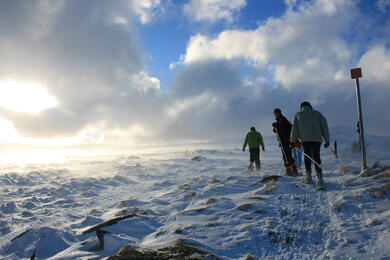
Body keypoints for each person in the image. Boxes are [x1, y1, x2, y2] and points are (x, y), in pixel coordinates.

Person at [290, 101, 330, 190]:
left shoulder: (298, 114)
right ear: (310, 106)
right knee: (316, 157)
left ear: (301, 107)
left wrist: (292, 141)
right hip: (317, 139)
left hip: (305, 140)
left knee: (307, 156)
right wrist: (326, 140)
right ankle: (319, 178)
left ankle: (309, 177)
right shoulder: (317, 113)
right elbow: (324, 126)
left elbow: (294, 129)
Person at [272, 108, 299, 176]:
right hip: (283, 141)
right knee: (286, 156)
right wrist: (275, 128)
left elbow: (285, 130)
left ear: (280, 113)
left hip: (286, 141)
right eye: (275, 113)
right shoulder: (279, 120)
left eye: (277, 113)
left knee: (287, 156)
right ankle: (290, 171)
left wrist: (277, 126)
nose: (276, 114)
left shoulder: (283, 119)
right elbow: (280, 130)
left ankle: (291, 171)